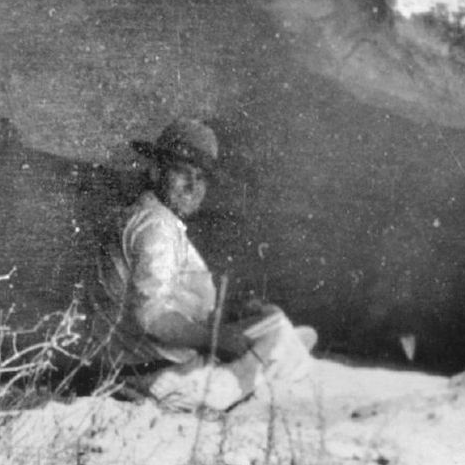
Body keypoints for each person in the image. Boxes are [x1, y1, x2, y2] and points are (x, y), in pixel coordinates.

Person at [92, 117, 314, 409]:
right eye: (182, 173)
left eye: (201, 178)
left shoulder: (150, 218)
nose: (192, 186)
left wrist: (229, 320)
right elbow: (153, 317)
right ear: (157, 171)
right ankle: (280, 359)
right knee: (277, 332)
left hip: (140, 366)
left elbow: (171, 298)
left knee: (271, 324)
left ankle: (282, 353)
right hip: (156, 377)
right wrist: (219, 339)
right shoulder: (155, 227)